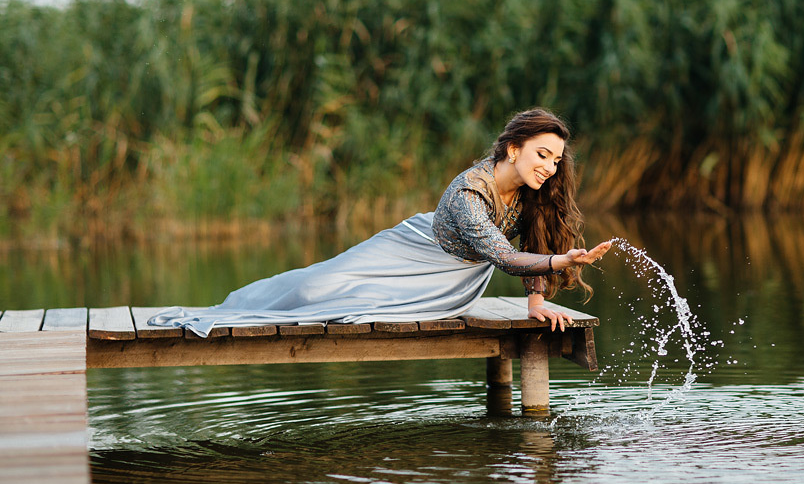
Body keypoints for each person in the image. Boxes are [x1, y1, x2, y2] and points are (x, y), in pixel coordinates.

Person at [149, 109, 612, 338]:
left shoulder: (535, 191)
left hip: (459, 276)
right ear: (513, 148)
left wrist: (536, 303)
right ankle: (229, 309)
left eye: (555, 159)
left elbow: (533, 238)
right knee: (314, 290)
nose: (550, 167)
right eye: (541, 155)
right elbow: (508, 257)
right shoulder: (469, 191)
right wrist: (557, 262)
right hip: (414, 248)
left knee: (351, 305)